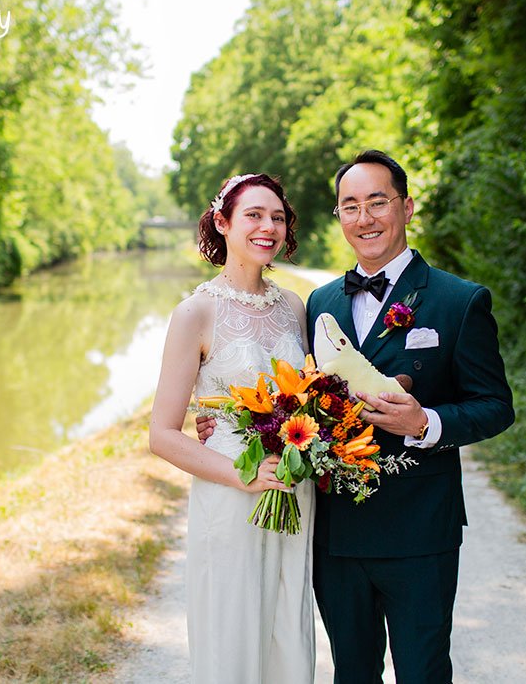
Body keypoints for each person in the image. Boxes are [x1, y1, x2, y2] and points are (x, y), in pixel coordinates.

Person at [199, 150, 514, 682]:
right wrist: (229, 426)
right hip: (336, 531)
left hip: (420, 532)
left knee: (423, 671)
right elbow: (287, 393)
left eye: (377, 202)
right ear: (339, 217)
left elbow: (495, 407)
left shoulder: (459, 302)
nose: (364, 218)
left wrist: (425, 424)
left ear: (407, 207)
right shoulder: (318, 303)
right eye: (350, 206)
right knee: (352, 671)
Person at [149, 173, 316, 683]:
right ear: (222, 223)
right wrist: (242, 475)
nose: (269, 227)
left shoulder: (294, 307)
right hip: (232, 490)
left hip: (293, 485)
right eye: (254, 215)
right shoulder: (195, 312)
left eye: (278, 217)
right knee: (232, 630)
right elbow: (163, 433)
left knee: (288, 625)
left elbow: (308, 395)